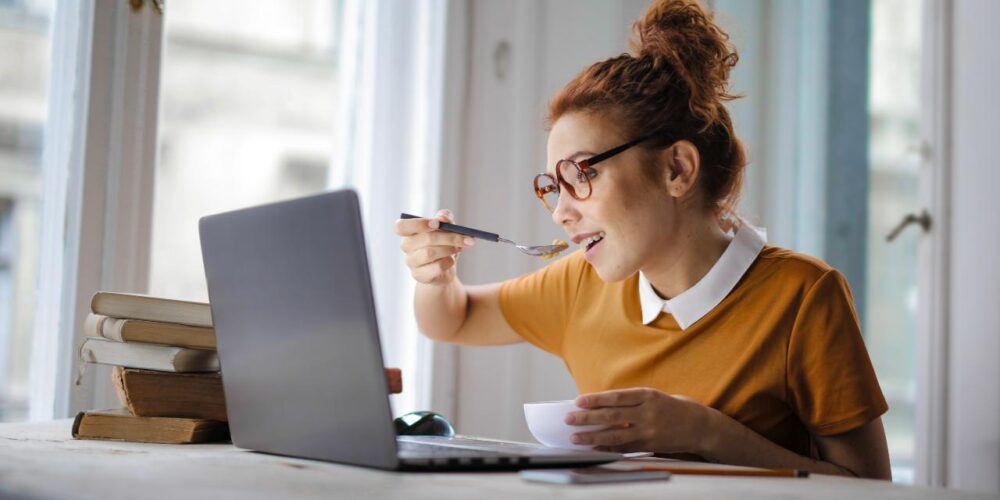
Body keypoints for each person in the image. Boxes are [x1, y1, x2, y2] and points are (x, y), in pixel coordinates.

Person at [394, 0, 891, 480]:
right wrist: (436, 277)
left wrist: (709, 433)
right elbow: (453, 319)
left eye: (581, 174)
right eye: (553, 186)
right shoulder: (581, 285)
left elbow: (868, 487)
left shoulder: (804, 297)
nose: (562, 212)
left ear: (677, 168)